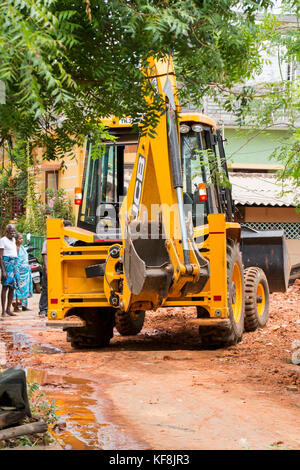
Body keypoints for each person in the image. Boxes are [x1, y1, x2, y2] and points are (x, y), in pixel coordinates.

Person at [38, 220, 74, 317]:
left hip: (65, 270)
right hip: (52, 268)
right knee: (46, 288)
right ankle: (43, 309)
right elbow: (45, 255)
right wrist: (47, 269)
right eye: (67, 229)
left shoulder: (72, 240)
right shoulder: (50, 241)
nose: (68, 231)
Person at [0, 224, 19, 319]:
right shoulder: (2, 240)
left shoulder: (14, 240)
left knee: (12, 288)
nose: (13, 233)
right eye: (11, 231)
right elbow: (0, 256)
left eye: (14, 231)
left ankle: (8, 309)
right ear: (7, 231)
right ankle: (3, 311)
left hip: (14, 265)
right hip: (7, 266)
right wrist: (3, 270)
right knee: (5, 288)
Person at [12, 234, 33, 312]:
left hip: (26, 271)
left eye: (22, 238)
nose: (21, 240)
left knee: (25, 288)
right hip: (18, 272)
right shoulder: (14, 248)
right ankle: (15, 306)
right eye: (20, 238)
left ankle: (24, 306)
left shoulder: (22, 248)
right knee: (17, 288)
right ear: (16, 239)